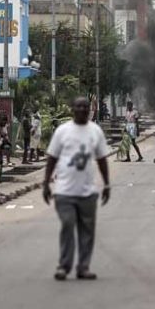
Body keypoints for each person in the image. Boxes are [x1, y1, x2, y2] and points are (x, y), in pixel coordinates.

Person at [42, 97, 110, 281]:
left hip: (88, 192)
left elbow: (102, 159)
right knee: (67, 224)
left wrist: (107, 184)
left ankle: (83, 267)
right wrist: (46, 183)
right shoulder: (62, 131)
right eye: (78, 106)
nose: (81, 109)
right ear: (72, 108)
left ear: (89, 109)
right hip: (64, 191)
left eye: (85, 107)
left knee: (87, 230)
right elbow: (52, 158)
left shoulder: (95, 131)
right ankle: (64, 266)